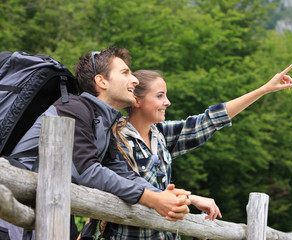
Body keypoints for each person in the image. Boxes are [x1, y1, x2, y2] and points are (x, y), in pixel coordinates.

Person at [0, 47, 191, 240]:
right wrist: (152, 198)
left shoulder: (104, 123)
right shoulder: (74, 108)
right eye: (125, 73)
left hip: (48, 209)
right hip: (15, 212)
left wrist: (165, 197)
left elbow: (125, 174)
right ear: (101, 81)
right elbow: (88, 172)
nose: (135, 80)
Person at [102, 65, 292, 239]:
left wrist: (264, 89)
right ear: (137, 100)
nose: (167, 102)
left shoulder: (160, 133)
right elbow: (134, 189)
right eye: (160, 96)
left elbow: (210, 120)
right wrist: (190, 198)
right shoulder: (116, 139)